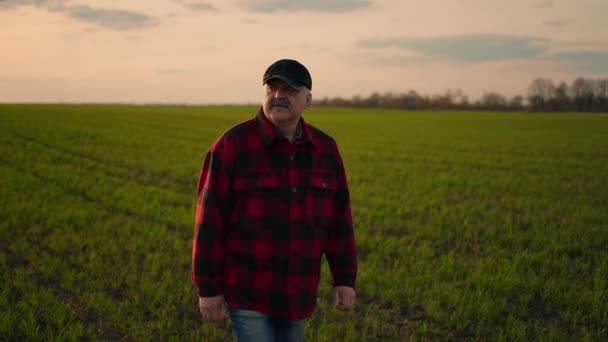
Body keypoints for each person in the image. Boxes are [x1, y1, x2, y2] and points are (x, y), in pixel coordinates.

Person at [191, 59, 358, 342]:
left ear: (308, 100)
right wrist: (208, 290)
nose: (278, 95)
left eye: (289, 89)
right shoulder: (232, 146)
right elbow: (209, 223)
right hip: (247, 292)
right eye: (272, 88)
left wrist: (344, 279)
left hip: (298, 295)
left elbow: (338, 222)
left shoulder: (326, 150)